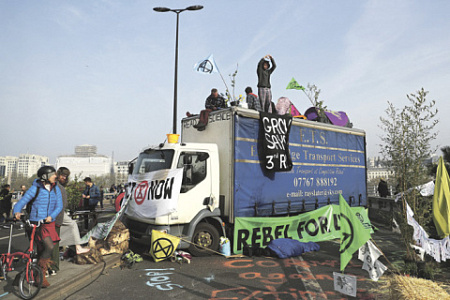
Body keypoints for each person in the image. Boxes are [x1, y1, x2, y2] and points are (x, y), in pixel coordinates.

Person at [13, 166, 63, 288]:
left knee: (47, 248)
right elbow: (21, 202)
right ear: (45, 177)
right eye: (52, 175)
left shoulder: (56, 189)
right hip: (36, 223)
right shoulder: (35, 188)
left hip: (49, 223)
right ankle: (39, 275)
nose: (55, 177)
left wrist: (51, 216)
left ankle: (39, 274)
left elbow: (59, 206)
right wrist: (16, 212)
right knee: (45, 248)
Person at [51, 168, 89, 276]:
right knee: (70, 226)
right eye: (63, 175)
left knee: (71, 225)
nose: (64, 177)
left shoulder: (59, 186)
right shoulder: (56, 186)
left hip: (60, 214)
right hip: (57, 214)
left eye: (66, 176)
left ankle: (76, 247)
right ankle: (77, 247)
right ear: (58, 175)